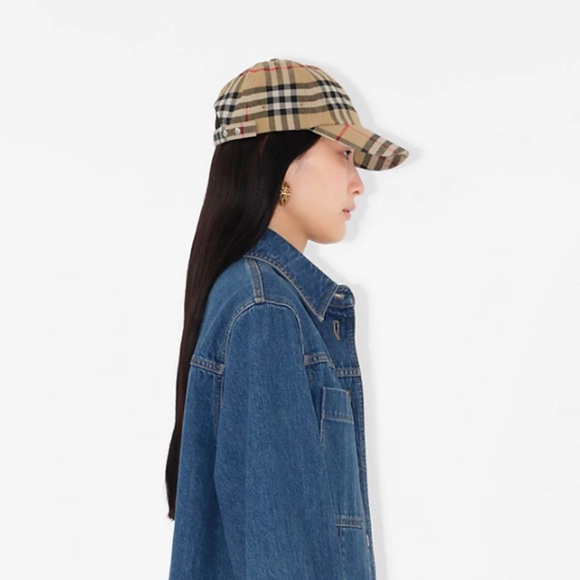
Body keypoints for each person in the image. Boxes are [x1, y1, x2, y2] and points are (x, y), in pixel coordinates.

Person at [165, 57, 409, 579]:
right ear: (273, 157)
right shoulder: (267, 314)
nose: (358, 184)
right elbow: (281, 554)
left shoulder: (255, 300)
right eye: (343, 154)